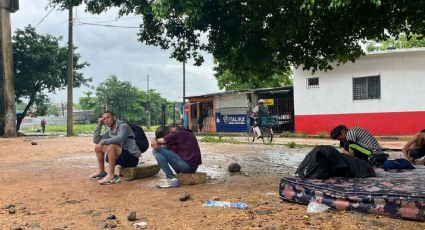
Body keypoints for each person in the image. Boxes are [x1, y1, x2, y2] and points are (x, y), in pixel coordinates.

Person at [91, 111, 142, 185]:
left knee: (112, 146)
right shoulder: (110, 131)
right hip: (121, 157)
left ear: (114, 117)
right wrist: (99, 124)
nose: (106, 120)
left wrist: (103, 141)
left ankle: (111, 176)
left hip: (132, 158)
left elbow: (120, 138)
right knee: (98, 147)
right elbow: (96, 140)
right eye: (104, 119)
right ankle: (101, 171)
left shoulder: (123, 126)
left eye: (108, 117)